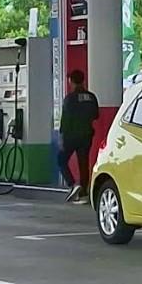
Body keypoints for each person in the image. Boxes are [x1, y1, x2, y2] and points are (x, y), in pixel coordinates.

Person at [58, 69, 99, 204]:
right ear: (83, 80)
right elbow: (96, 115)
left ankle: (73, 185)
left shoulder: (69, 99)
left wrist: (62, 137)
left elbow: (65, 120)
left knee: (61, 160)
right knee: (83, 163)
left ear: (71, 81)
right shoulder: (91, 97)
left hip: (71, 135)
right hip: (86, 135)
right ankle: (84, 192)